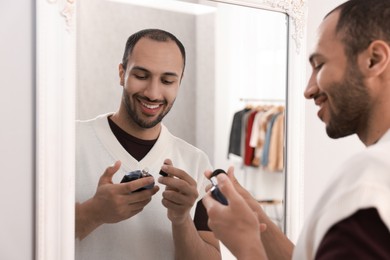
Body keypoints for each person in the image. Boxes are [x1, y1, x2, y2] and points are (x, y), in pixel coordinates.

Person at [202, 0, 390, 259]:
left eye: (320, 65)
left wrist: (246, 245)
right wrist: (254, 216)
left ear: (374, 60)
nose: (308, 89)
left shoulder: (369, 183)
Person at [75, 29, 221, 260]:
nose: (153, 93)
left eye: (167, 80)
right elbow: (20, 235)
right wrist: (94, 212)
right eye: (141, 76)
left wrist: (181, 220)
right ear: (122, 73)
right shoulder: (68, 142)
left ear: (179, 82)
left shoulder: (195, 162)